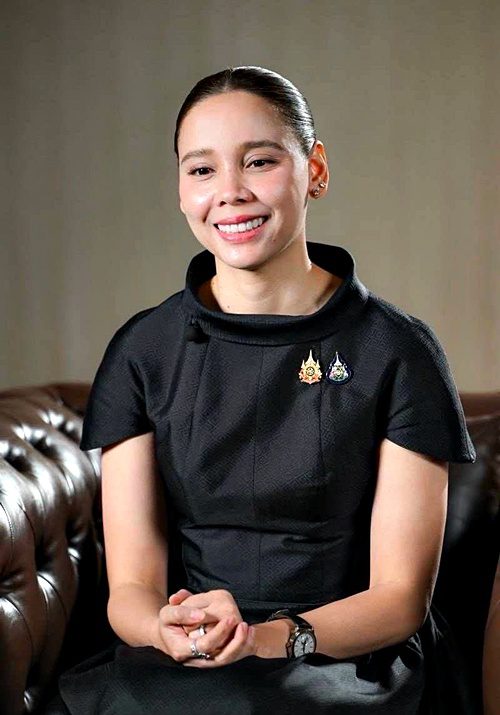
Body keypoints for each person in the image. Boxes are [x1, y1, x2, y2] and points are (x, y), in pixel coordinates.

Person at [52, 66, 478, 714]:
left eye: (259, 161)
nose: (229, 192)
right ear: (181, 190)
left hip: (346, 658)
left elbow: (399, 598)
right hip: (189, 658)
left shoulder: (396, 350)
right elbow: (132, 588)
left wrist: (268, 638)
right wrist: (168, 629)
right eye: (202, 169)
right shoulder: (143, 351)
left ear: (316, 170)